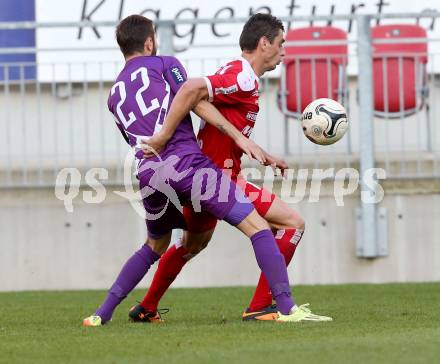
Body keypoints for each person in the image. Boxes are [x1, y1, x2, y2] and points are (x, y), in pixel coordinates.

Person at [83, 14, 330, 327]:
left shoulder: (113, 96)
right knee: (266, 228)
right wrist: (228, 136)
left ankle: (104, 313)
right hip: (194, 168)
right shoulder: (165, 64)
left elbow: (144, 134)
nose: (284, 51)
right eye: (281, 44)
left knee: (166, 245)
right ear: (149, 42)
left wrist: (254, 149)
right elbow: (192, 93)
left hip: (148, 173)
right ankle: (284, 308)